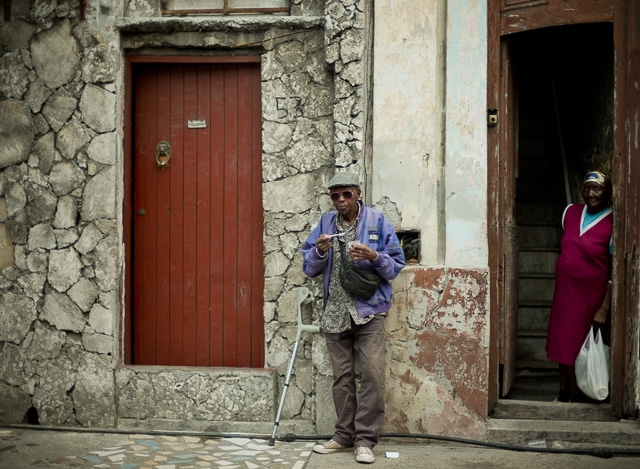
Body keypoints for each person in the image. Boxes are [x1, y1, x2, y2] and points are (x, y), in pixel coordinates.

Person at [302, 172, 405, 464]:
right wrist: (320, 253)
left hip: (369, 311)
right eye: (335, 195)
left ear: (358, 193)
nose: (341, 200)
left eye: (346, 194)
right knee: (342, 377)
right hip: (335, 312)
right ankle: (343, 437)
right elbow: (308, 267)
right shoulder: (325, 223)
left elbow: (395, 265)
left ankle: (365, 442)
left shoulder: (377, 221)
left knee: (372, 375)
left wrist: (374, 256)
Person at [546, 170, 613, 403]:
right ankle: (564, 391)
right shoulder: (570, 212)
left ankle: (580, 392)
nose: (591, 193)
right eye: (587, 188)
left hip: (590, 296)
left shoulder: (613, 221)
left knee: (579, 343)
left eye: (597, 188)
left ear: (606, 192)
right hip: (565, 290)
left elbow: (615, 269)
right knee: (561, 339)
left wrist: (604, 308)